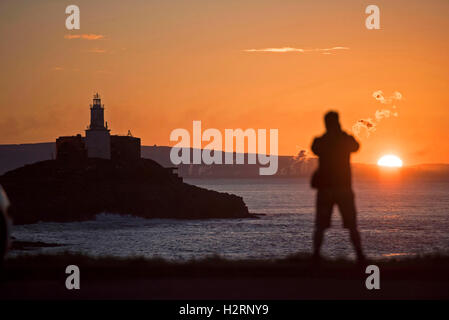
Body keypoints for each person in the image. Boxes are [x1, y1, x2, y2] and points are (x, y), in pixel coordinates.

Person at [310, 111, 365, 263]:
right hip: (343, 188)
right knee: (352, 224)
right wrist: (341, 134)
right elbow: (356, 146)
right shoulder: (344, 139)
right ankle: (360, 256)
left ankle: (315, 256)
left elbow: (315, 148)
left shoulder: (321, 140)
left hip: (326, 189)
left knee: (320, 225)